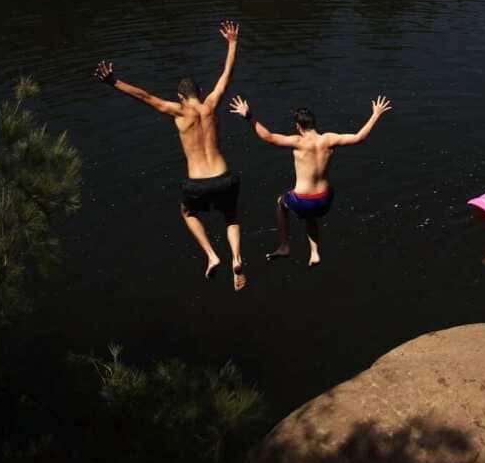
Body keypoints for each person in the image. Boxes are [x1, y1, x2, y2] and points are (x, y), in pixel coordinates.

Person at [93, 21, 246, 291]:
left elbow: (146, 97)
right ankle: (236, 257)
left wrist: (114, 82)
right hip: (223, 176)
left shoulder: (178, 111)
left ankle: (211, 255)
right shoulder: (211, 104)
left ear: (179, 96)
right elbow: (226, 74)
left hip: (197, 181)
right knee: (231, 216)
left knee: (187, 211)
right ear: (199, 92)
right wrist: (232, 43)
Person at [228, 94, 392, 267]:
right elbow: (359, 137)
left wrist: (249, 117)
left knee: (280, 202)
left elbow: (268, 137)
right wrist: (375, 114)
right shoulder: (329, 139)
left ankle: (284, 246)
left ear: (298, 126)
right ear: (314, 123)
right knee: (310, 216)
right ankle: (314, 252)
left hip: (303, 200)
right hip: (324, 200)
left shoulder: (298, 142)